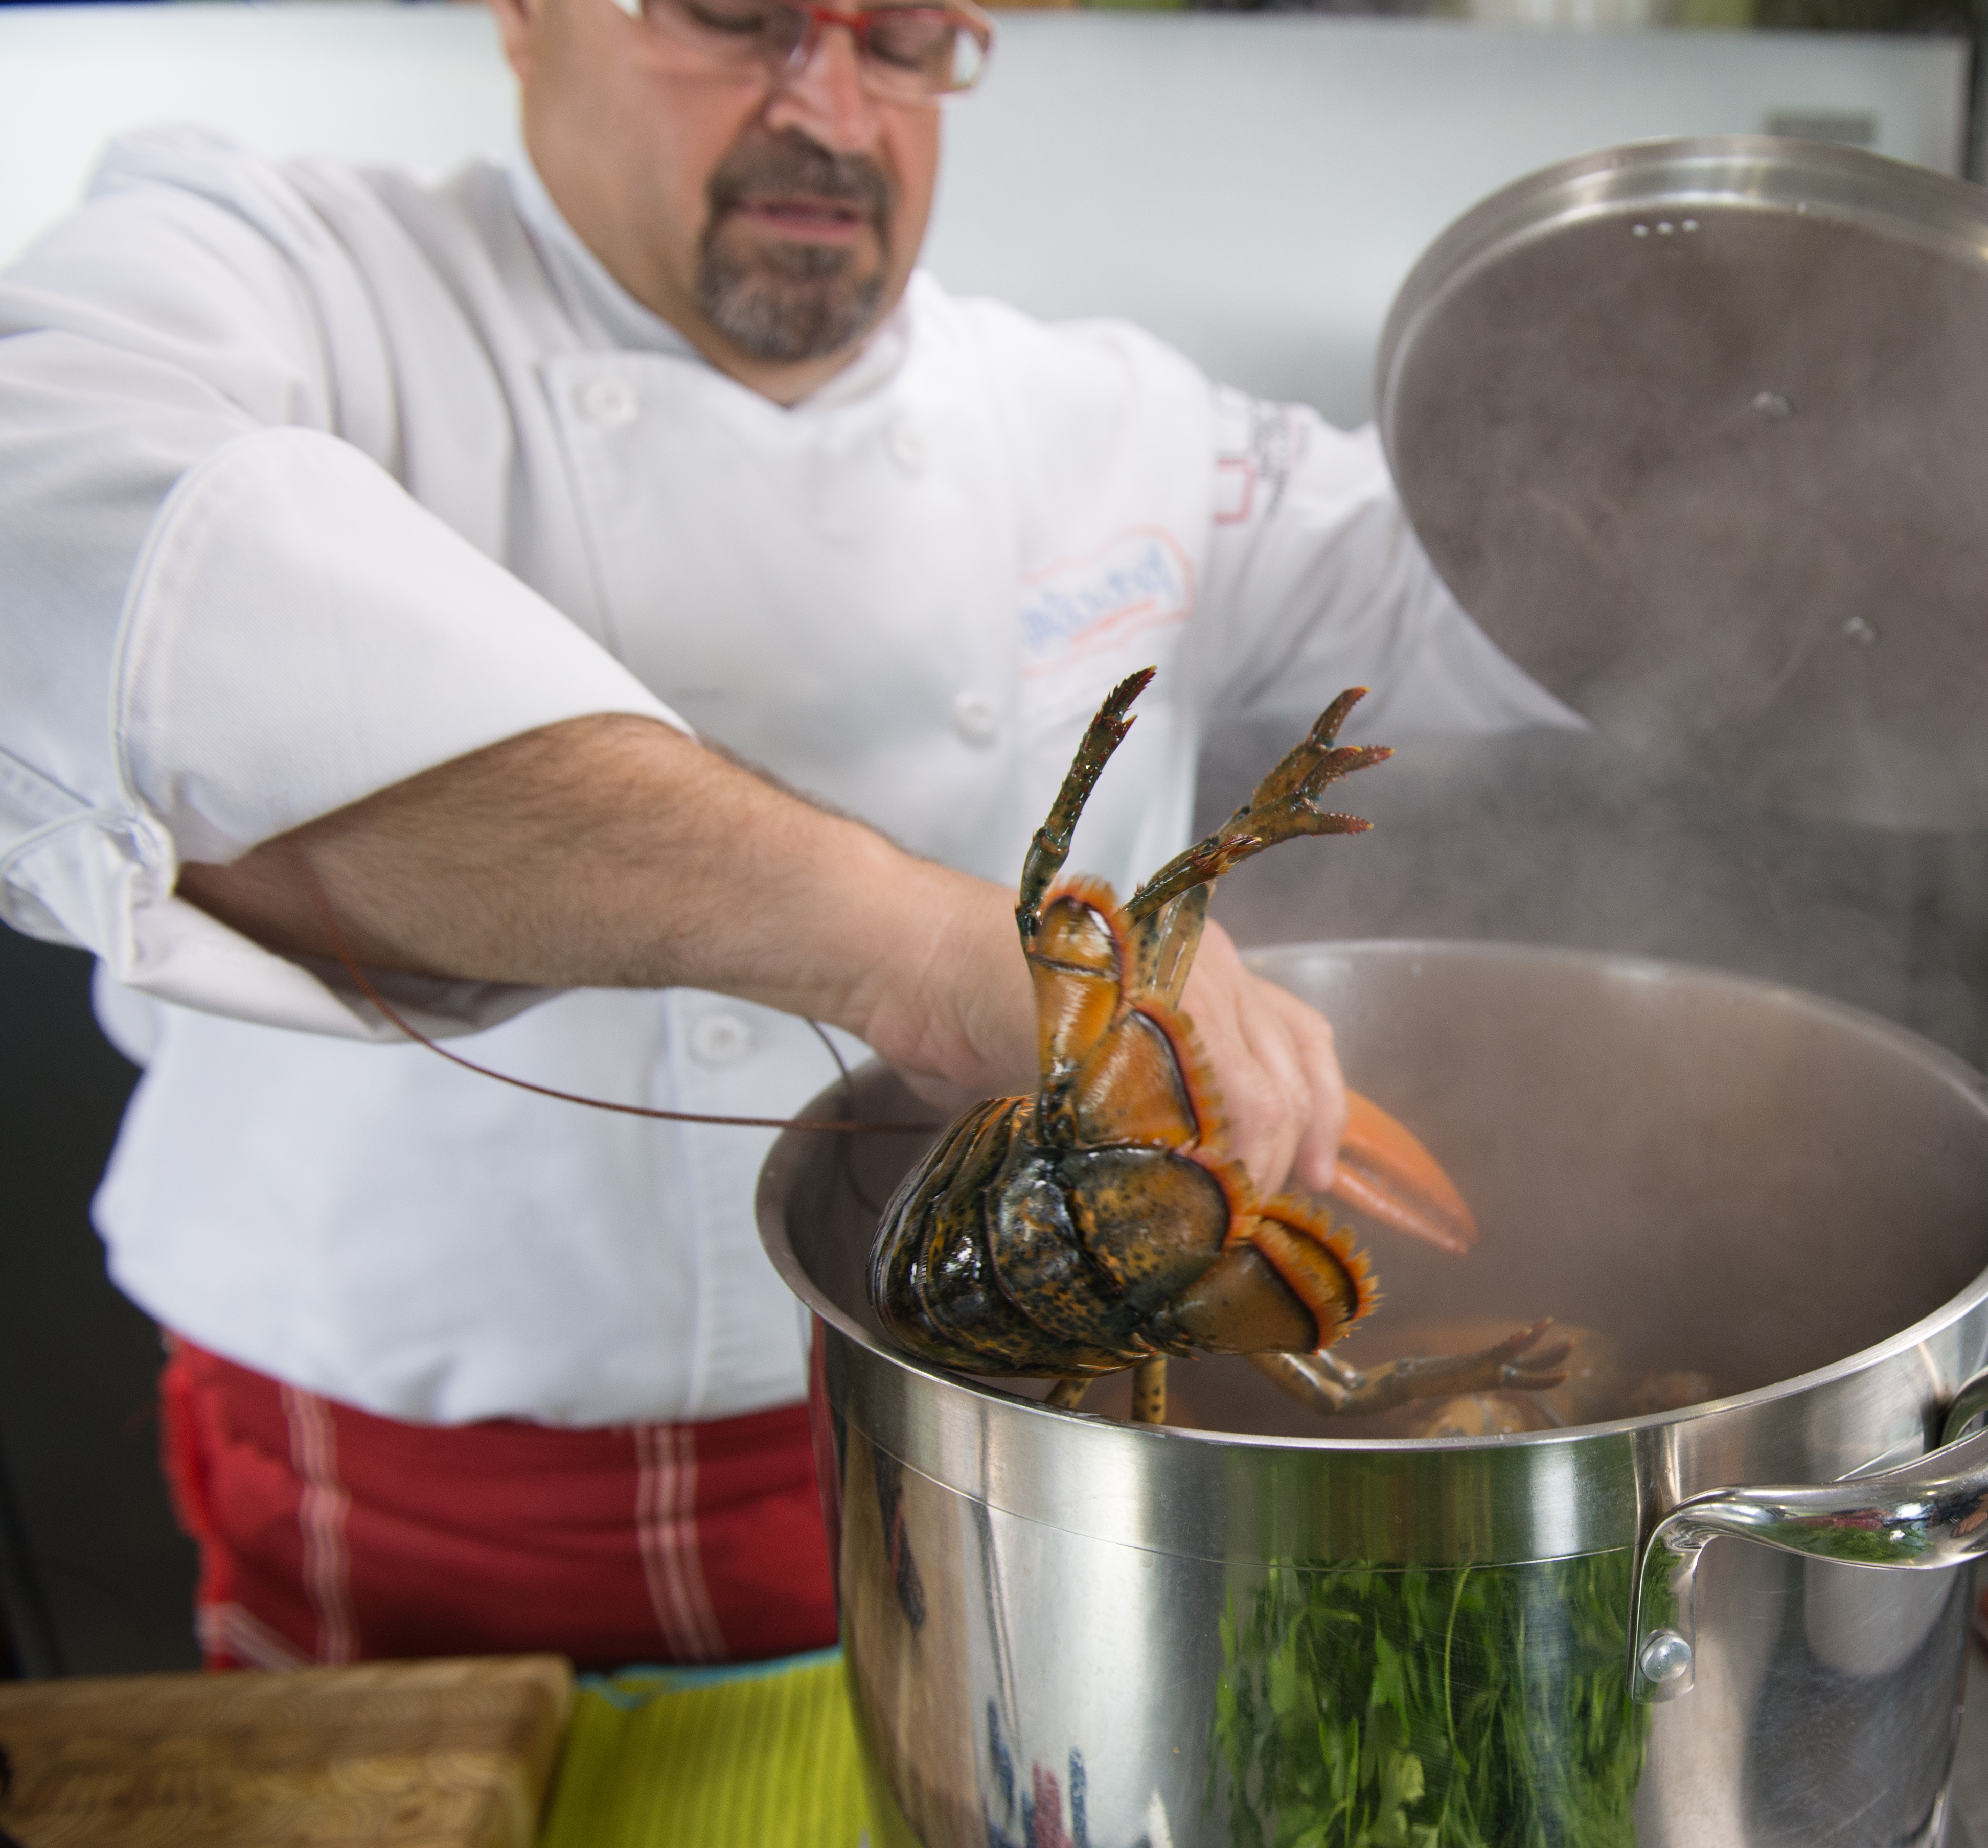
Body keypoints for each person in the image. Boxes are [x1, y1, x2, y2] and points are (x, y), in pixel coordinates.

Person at [0, 0, 1570, 1670]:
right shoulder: (282, 271)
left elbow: (1547, 598)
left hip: (1008, 1448)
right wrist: (914, 944)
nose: (830, 108)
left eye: (901, 37)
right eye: (738, 17)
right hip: (400, 1482)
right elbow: (48, 547)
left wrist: (1756, 429)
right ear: (525, 18)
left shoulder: (1111, 419)